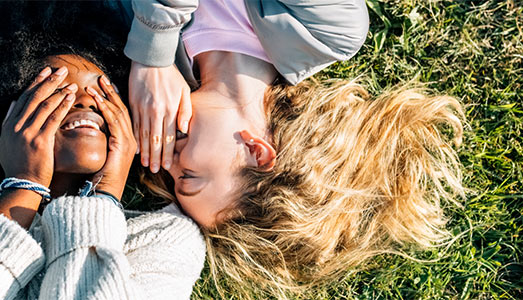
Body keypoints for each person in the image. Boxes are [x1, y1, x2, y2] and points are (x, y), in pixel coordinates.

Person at [109, 1, 466, 298]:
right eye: (188, 177)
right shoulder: (326, 31)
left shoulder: (127, 80)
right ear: (257, 152)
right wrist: (153, 49)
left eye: (171, 180)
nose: (163, 159)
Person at [0, 2, 205, 299]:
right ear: (6, 115)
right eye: (58, 91)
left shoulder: (166, 241)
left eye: (105, 91)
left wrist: (104, 199)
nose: (87, 100)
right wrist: (23, 187)